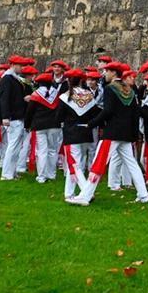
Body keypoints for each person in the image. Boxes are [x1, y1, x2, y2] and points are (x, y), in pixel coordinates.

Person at [67, 62, 148, 205]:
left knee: (98, 163)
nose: (104, 74)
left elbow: (107, 111)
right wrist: (133, 134)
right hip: (126, 134)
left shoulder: (110, 88)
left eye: (107, 71)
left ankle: (85, 196)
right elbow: (135, 113)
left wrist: (92, 123)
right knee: (132, 164)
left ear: (114, 73)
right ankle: (143, 196)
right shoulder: (129, 90)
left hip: (112, 133)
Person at [59, 71, 98, 201]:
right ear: (82, 80)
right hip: (86, 133)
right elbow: (95, 114)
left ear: (68, 81)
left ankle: (87, 192)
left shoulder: (65, 96)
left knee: (74, 165)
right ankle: (69, 193)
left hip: (71, 133)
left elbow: (59, 116)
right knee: (78, 164)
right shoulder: (89, 95)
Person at [0, 56, 33, 181]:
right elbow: (4, 98)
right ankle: (6, 173)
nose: (22, 68)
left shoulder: (14, 78)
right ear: (13, 65)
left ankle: (11, 172)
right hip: (13, 116)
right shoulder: (7, 78)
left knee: (16, 146)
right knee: (13, 145)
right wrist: (5, 116)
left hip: (18, 115)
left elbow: (13, 97)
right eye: (20, 65)